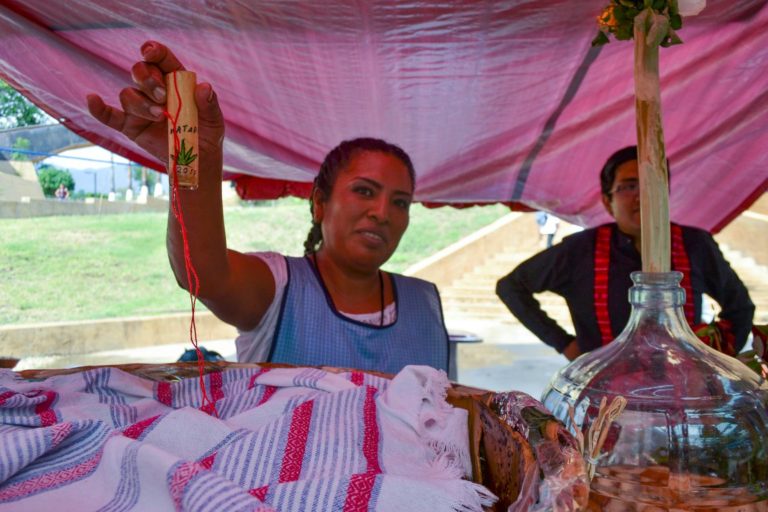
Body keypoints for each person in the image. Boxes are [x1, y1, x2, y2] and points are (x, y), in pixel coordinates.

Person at [87, 41, 450, 375]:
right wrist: (195, 157)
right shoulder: (278, 287)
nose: (382, 212)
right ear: (320, 204)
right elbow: (203, 272)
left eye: (400, 202)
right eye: (364, 191)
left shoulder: (425, 302)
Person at [496, 146, 755, 361]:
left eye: (653, 185)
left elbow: (740, 309)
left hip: (680, 398)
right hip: (603, 398)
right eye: (629, 186)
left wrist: (712, 360)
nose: (643, 197)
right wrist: (565, 344)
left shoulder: (695, 244)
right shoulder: (580, 250)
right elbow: (511, 286)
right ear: (608, 202)